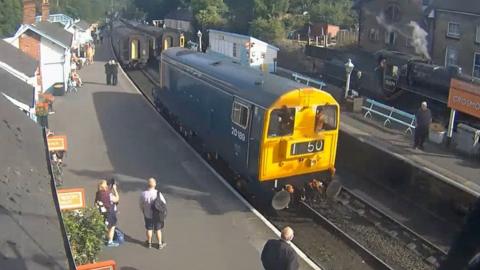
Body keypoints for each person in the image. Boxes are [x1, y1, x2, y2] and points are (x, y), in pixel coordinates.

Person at [139, 178, 167, 249]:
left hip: (147, 215)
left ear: (148, 184)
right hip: (157, 215)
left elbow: (141, 205)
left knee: (149, 228)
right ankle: (160, 244)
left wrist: (143, 211)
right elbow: (164, 203)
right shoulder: (158, 193)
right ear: (154, 184)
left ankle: (149, 243)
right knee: (158, 229)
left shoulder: (143, 194)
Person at [95, 179, 120, 247]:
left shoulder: (98, 193)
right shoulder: (109, 194)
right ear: (105, 187)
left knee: (104, 225)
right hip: (109, 212)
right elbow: (117, 199)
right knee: (112, 226)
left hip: (101, 212)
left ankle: (102, 238)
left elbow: (95, 203)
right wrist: (115, 190)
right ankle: (110, 241)